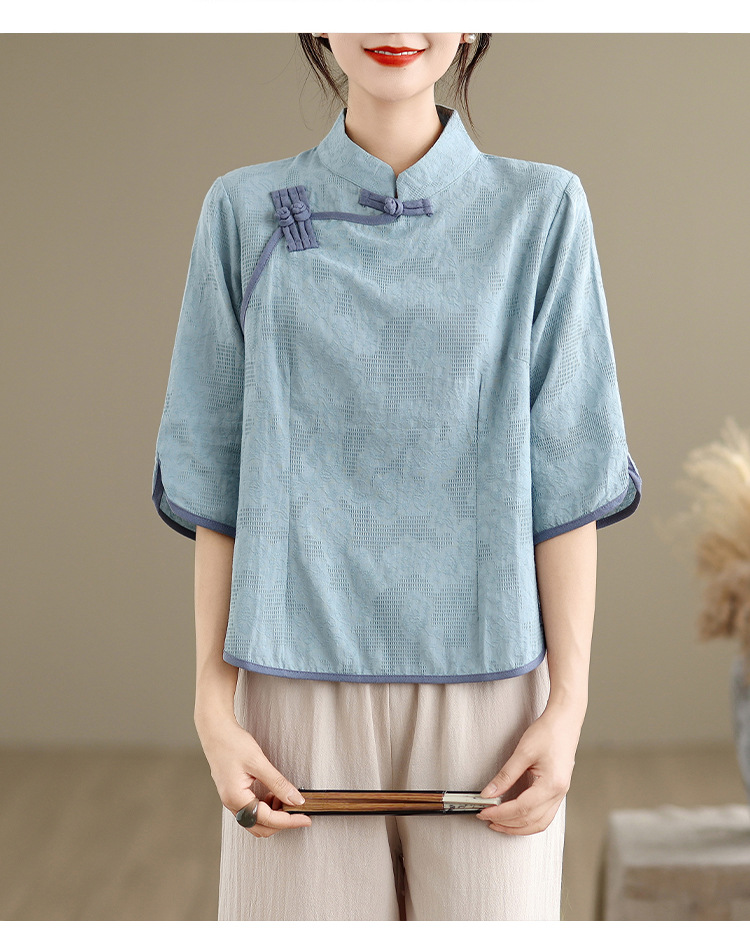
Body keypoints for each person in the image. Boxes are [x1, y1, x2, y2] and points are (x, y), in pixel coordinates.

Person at [151, 33, 641, 921]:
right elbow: (217, 481)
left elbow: (566, 480)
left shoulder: (541, 212)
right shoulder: (242, 211)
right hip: (291, 690)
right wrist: (213, 710)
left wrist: (566, 709)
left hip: (493, 696)